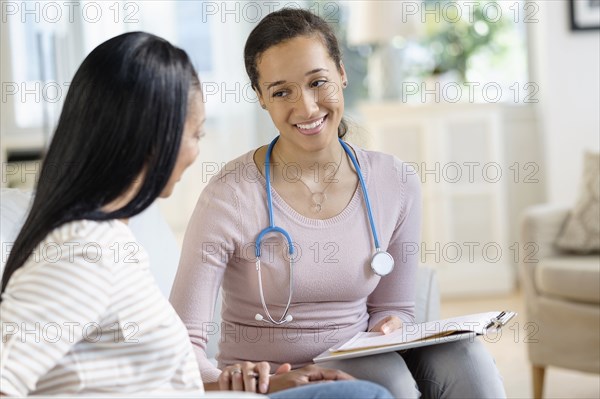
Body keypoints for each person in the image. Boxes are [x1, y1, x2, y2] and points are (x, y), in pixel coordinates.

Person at [0, 31, 392, 399]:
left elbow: (158, 384)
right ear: (154, 138)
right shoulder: (84, 250)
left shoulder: (111, 239)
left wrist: (262, 383)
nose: (195, 152)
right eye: (195, 134)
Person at [170, 8, 507, 399]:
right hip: (278, 382)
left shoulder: (394, 181)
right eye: (282, 91)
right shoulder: (230, 194)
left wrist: (389, 325)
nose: (308, 108)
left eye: (318, 82)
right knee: (388, 380)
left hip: (357, 357)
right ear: (261, 98)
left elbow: (394, 307)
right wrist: (230, 382)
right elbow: (183, 343)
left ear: (342, 74)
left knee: (466, 357)